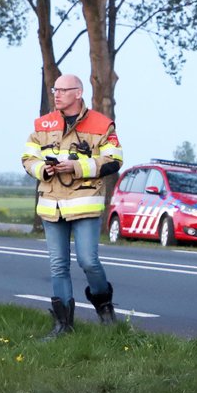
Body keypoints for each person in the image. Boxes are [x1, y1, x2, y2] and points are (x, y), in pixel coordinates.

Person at [21, 73, 124, 337]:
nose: (56, 94)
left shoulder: (101, 124)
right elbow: (27, 157)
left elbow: (114, 161)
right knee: (58, 265)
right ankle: (63, 325)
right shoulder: (43, 124)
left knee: (89, 261)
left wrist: (76, 167)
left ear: (78, 93)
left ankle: (104, 305)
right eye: (55, 90)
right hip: (51, 204)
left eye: (63, 90)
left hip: (84, 203)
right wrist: (42, 169)